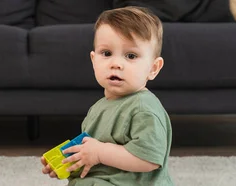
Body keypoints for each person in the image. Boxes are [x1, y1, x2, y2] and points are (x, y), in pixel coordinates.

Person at [41, 6, 174, 186]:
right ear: (94, 60)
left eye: (131, 55)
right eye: (107, 53)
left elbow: (149, 160)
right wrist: (71, 162)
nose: (116, 63)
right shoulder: (98, 108)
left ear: (153, 68)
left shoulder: (144, 109)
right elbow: (96, 156)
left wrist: (100, 152)